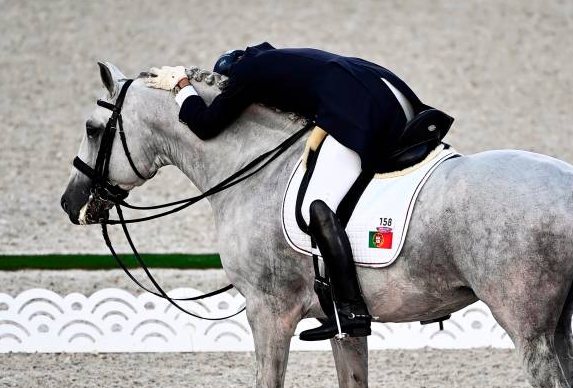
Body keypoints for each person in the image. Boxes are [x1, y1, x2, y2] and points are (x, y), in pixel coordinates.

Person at [145, 43, 430, 341]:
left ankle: (349, 310)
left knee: (319, 205)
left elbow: (205, 125)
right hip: (394, 93)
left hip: (362, 109)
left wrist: (181, 88)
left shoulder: (247, 74)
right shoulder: (278, 59)